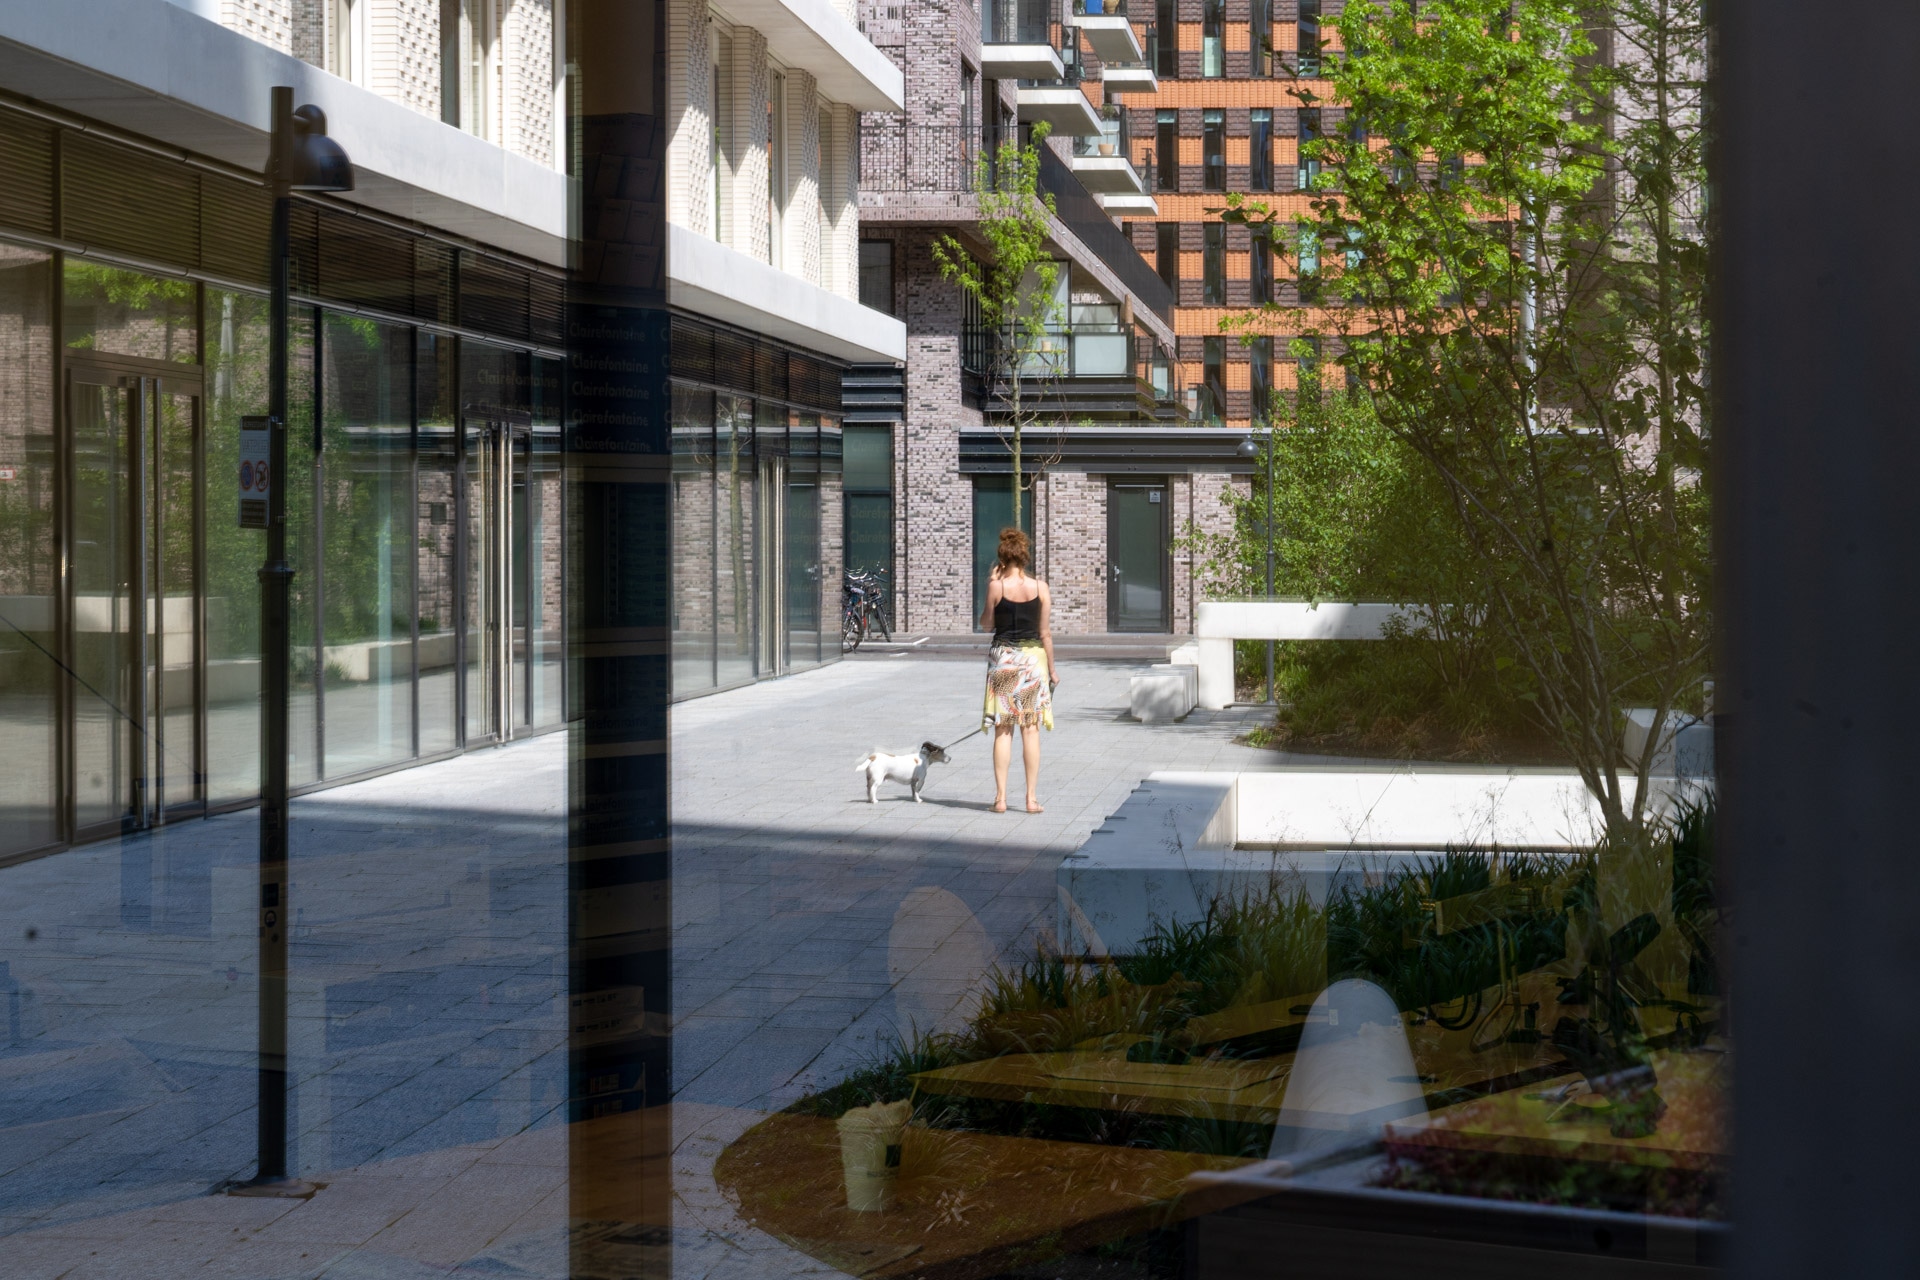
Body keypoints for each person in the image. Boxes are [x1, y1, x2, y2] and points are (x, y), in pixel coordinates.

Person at [979, 528, 1057, 813]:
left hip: (1004, 659)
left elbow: (987, 624)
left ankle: (1000, 799)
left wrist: (992, 583)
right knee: (1030, 729)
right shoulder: (1041, 588)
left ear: (1002, 559)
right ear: (1025, 558)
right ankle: (1031, 799)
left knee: (1003, 729)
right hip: (1033, 662)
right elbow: (1045, 633)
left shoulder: (996, 587)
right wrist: (1052, 670)